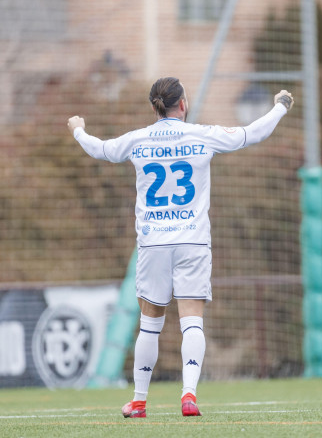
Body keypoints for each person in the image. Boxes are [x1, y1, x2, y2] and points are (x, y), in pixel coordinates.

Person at [67, 78, 294, 417]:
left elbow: (100, 149)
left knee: (150, 324)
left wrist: (78, 130)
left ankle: (140, 401)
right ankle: (189, 396)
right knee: (192, 321)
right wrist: (280, 106)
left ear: (154, 107)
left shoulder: (137, 139)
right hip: (192, 240)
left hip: (154, 243)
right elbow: (253, 133)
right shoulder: (202, 135)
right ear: (183, 104)